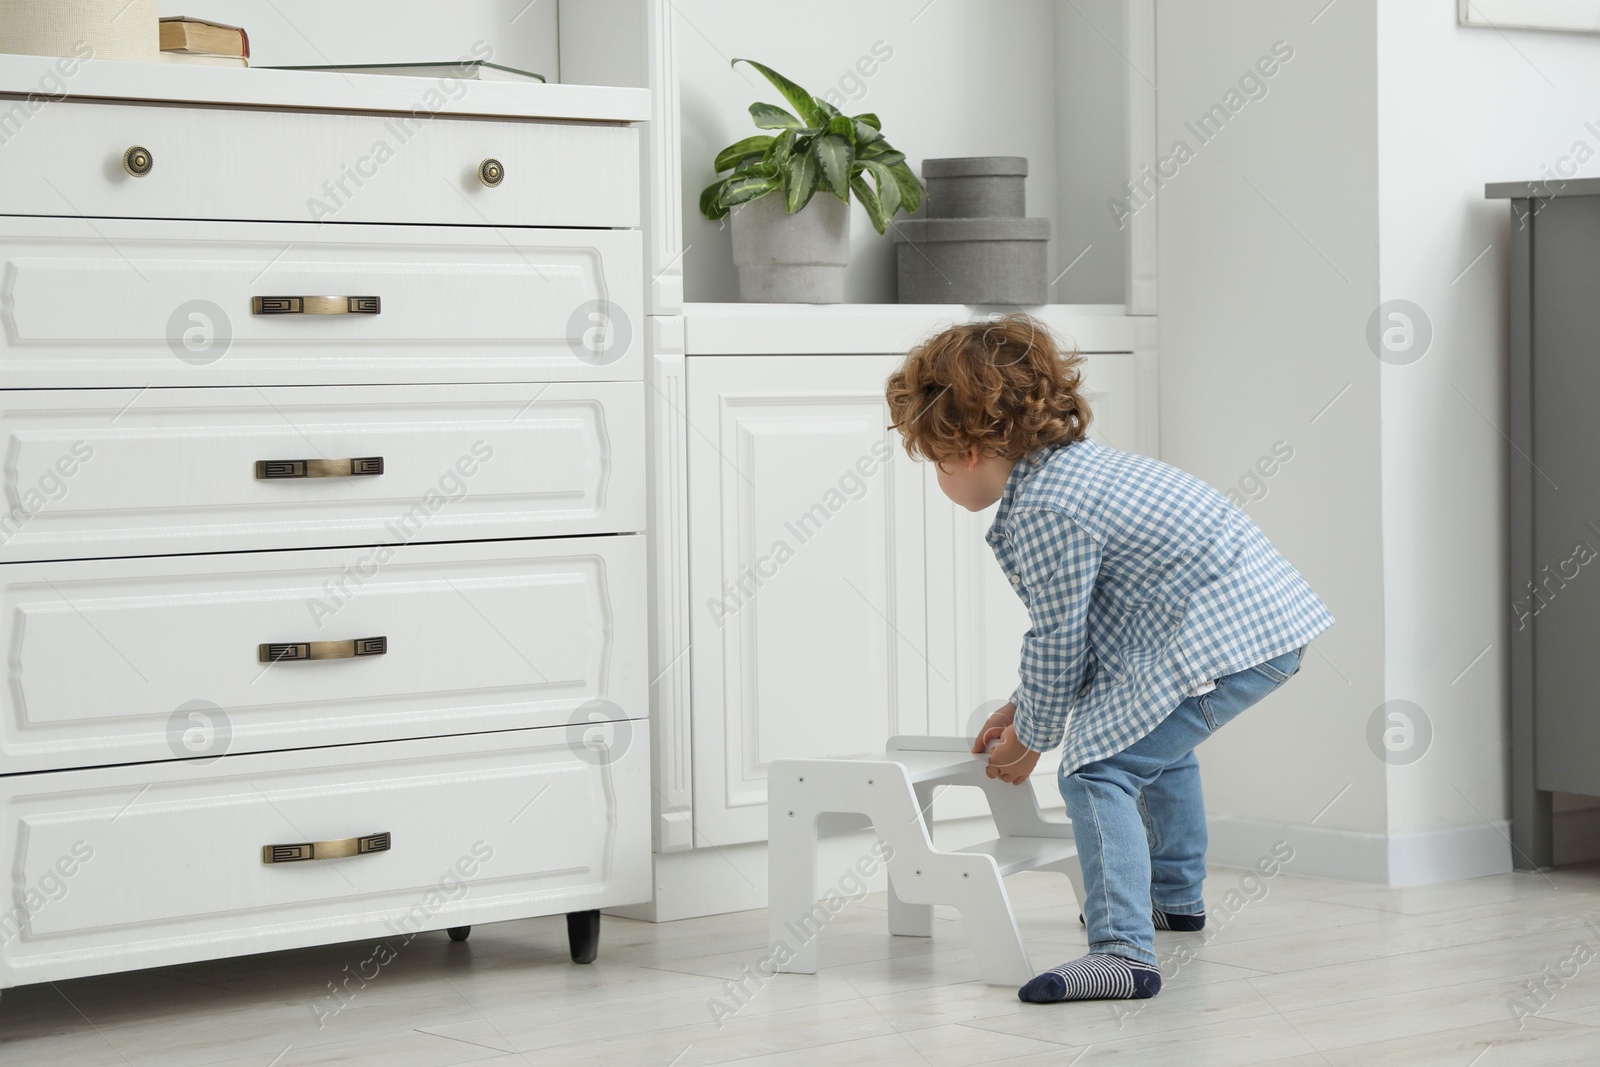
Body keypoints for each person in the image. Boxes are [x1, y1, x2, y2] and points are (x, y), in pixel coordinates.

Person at [884, 315, 1333, 1004]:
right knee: (1145, 741)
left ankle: (1122, 950)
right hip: (1257, 624)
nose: (939, 475)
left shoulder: (1044, 510)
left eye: (935, 460)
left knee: (1099, 766)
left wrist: (1032, 736)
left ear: (967, 446)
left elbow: (1060, 639)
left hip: (1227, 634)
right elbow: (1084, 628)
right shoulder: (1074, 472)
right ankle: (1172, 898)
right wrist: (1021, 704)